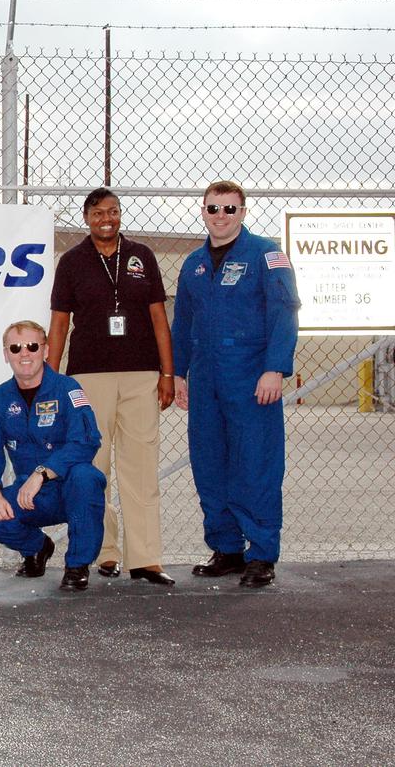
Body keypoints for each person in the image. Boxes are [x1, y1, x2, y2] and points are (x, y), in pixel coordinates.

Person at [173, 180, 300, 588]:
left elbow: (284, 313)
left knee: (255, 465)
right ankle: (226, 548)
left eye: (230, 209)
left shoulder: (266, 254)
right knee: (209, 464)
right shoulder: (193, 264)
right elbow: (183, 324)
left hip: (250, 377)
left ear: (243, 212)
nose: (221, 217)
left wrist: (274, 368)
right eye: (213, 209)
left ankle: (261, 553)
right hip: (205, 377)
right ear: (203, 211)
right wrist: (177, 373)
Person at [47, 187, 176, 586]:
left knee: (141, 470)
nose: (108, 218)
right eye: (100, 212)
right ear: (86, 217)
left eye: (115, 211)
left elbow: (159, 318)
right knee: (93, 469)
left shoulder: (142, 256)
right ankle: (103, 553)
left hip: (141, 375)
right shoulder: (71, 262)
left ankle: (146, 560)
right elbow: (59, 324)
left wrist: (167, 373)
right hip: (88, 377)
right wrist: (52, 380)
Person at [0, 321, 107, 592]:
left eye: (32, 346)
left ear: (45, 351)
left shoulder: (67, 388)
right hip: (31, 496)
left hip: (69, 486)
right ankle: (37, 548)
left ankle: (77, 566)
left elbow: (87, 441)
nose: (24, 354)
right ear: (6, 354)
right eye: (15, 348)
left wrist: (43, 472)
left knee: (87, 476)